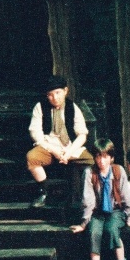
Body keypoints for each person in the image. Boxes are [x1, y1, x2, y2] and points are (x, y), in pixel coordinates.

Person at [70, 138, 130, 260]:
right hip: (97, 212)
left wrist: (129, 218)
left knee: (112, 230)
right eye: (98, 157)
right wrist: (84, 223)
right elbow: (88, 200)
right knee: (94, 232)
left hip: (116, 211)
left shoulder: (118, 170)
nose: (101, 161)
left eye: (105, 157)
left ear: (111, 158)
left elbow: (127, 196)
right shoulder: (89, 173)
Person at [26, 75, 90, 209]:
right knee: (32, 158)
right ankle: (44, 192)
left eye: (57, 93)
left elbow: (82, 134)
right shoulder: (40, 107)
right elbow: (35, 133)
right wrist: (53, 150)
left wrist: (69, 152)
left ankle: (84, 195)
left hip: (69, 147)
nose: (54, 98)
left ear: (65, 91)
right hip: (48, 146)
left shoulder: (72, 107)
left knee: (92, 161)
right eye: (50, 95)